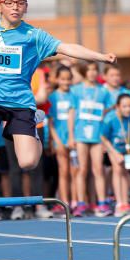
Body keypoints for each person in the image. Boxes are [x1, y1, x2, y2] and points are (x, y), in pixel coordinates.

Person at [0, 0, 114, 178]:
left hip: (20, 102)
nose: (15, 7)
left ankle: (35, 126)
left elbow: (68, 48)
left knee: (28, 162)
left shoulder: (34, 36)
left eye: (20, 3)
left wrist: (101, 56)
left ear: (26, 6)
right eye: (9, 2)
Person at [72, 61, 114, 216]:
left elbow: (110, 107)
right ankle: (81, 203)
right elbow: (72, 112)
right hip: (81, 133)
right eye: (89, 70)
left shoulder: (103, 91)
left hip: (97, 134)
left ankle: (102, 203)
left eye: (95, 70)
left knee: (98, 169)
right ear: (84, 72)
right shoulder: (76, 90)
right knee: (82, 170)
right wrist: (71, 135)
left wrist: (101, 116)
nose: (92, 73)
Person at [100, 93, 130, 216]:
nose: (128, 109)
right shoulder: (110, 118)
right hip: (114, 148)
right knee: (117, 170)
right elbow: (103, 137)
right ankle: (119, 203)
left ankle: (126, 201)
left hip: (127, 149)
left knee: (125, 172)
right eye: (124, 106)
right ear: (118, 106)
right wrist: (114, 153)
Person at [47, 65, 78, 208]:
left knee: (75, 171)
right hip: (59, 138)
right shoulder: (52, 97)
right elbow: (51, 122)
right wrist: (57, 142)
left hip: (73, 138)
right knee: (63, 171)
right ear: (57, 79)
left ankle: (75, 201)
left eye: (68, 79)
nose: (66, 82)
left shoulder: (74, 95)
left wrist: (72, 137)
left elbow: (74, 117)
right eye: (63, 79)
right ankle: (64, 201)